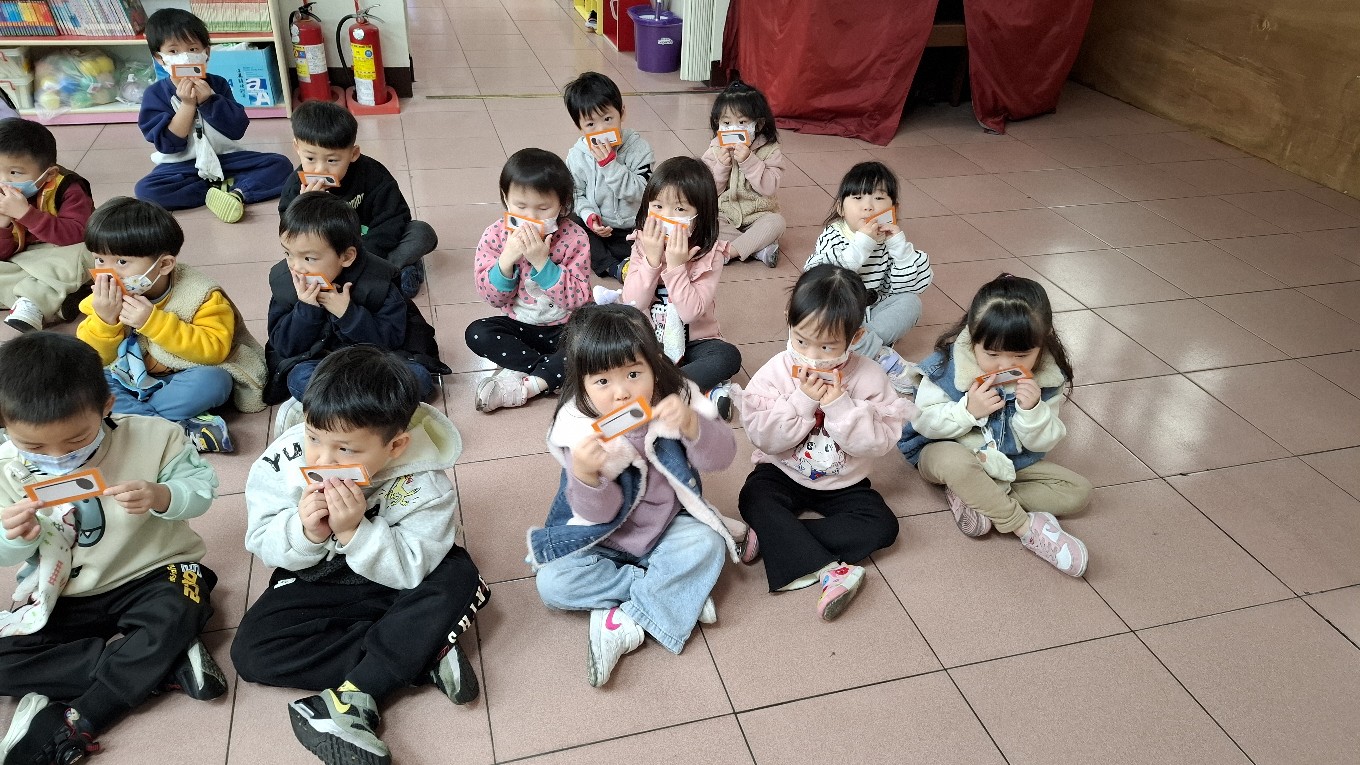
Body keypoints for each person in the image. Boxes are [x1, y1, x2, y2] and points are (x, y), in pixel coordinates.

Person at [232, 346, 488, 765]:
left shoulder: (425, 484)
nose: (322, 459)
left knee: (459, 574)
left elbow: (412, 566)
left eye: (346, 450)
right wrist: (304, 532)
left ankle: (356, 696)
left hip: (393, 577)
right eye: (314, 438)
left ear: (395, 446)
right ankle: (421, 648)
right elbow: (261, 541)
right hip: (317, 576)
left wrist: (356, 531)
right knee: (252, 654)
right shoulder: (282, 462)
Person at [0, 332, 224, 764]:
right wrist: (12, 537)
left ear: (106, 406)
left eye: (75, 440)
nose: (58, 457)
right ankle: (161, 661)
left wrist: (163, 495)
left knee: (182, 606)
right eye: (34, 446)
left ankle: (83, 715)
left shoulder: (156, 435)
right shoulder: (5, 468)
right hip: (65, 592)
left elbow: (202, 490)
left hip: (155, 572)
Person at [529, 304, 744, 687]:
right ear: (581, 384)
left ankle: (623, 622)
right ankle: (674, 594)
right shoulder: (578, 430)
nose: (621, 393)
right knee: (553, 584)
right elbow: (598, 514)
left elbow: (722, 457)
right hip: (603, 538)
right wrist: (585, 475)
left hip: (665, 528)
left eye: (633, 374)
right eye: (602, 382)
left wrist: (694, 425)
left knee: (708, 545)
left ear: (655, 365)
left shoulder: (674, 400)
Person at [738, 265, 913, 620]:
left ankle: (775, 536)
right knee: (753, 496)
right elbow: (763, 437)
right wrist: (802, 401)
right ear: (789, 320)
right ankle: (833, 571)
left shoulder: (870, 376)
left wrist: (840, 407)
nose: (813, 356)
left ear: (855, 336)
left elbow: (878, 444)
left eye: (827, 346)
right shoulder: (776, 370)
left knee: (883, 526)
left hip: (844, 481)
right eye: (802, 340)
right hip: (783, 470)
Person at [899, 273, 1092, 576]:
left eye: (1021, 355)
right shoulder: (947, 367)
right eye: (991, 354)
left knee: (1078, 492)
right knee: (955, 463)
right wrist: (967, 411)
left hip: (1007, 460)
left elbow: (1043, 443)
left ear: (1042, 342)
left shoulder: (1048, 378)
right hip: (944, 451)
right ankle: (1024, 527)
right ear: (972, 336)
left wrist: (1033, 411)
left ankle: (975, 496)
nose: (1005, 366)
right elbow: (923, 423)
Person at [76, 197, 266, 454]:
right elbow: (92, 358)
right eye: (100, 260)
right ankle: (177, 429)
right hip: (128, 378)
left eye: (121, 262)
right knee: (87, 382)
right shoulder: (104, 298)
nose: (108, 273)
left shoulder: (201, 295)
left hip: (183, 377)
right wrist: (105, 321)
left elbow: (214, 350)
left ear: (164, 264)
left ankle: (137, 428)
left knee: (214, 381)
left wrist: (153, 323)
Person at [263, 192, 449, 435]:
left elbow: (391, 340)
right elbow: (285, 347)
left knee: (419, 379)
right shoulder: (286, 283)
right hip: (323, 365)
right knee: (299, 378)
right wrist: (306, 310)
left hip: (375, 364)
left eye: (309, 258)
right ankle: (374, 416)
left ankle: (332, 412)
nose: (296, 266)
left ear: (346, 256)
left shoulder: (377, 281)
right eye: (288, 254)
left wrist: (348, 314)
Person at [134, 8, 293, 223]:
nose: (185, 57)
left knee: (280, 165)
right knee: (146, 190)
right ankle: (216, 191)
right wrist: (188, 105)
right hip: (182, 166)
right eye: (173, 51)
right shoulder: (155, 94)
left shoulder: (218, 84)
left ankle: (237, 193)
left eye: (193, 49)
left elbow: (236, 129)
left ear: (206, 53)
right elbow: (168, 145)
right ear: (159, 58)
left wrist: (210, 101)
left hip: (226, 159)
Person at [466, 148, 591, 413]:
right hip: (520, 327)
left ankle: (528, 382)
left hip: (566, 328)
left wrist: (543, 264)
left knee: (594, 337)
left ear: (562, 205)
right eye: (521, 207)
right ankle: (552, 373)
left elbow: (579, 299)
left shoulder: (574, 237)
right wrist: (506, 260)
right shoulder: (495, 236)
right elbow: (491, 298)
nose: (531, 218)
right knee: (477, 333)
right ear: (505, 198)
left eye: (543, 208)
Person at [619, 156, 741, 419]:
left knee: (727, 356)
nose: (666, 217)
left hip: (696, 341)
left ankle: (659, 391)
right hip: (648, 339)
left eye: (679, 209)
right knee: (613, 351)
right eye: (658, 206)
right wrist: (652, 261)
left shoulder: (710, 254)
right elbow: (633, 303)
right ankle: (698, 390)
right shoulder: (642, 243)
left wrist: (676, 267)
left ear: (700, 215)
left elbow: (690, 313)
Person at [278, 100, 436, 299]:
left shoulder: (373, 175)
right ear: (297, 148)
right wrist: (306, 205)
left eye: (332, 160)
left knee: (422, 233)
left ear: (353, 154)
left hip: (371, 250)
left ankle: (384, 273)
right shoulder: (296, 186)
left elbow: (394, 219)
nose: (320, 169)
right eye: (310, 158)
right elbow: (290, 233)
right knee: (287, 269)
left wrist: (362, 256)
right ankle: (390, 276)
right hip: (333, 257)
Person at [805, 161, 932, 393]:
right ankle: (878, 353)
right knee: (821, 316)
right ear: (841, 208)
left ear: (894, 208)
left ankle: (859, 345)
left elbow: (909, 286)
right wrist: (862, 244)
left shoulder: (891, 240)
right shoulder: (833, 236)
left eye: (879, 198)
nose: (868, 207)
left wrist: (899, 248)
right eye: (858, 198)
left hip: (871, 316)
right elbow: (820, 280)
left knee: (911, 303)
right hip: (837, 312)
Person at [0, 117, 94, 333]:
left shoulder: (68, 188)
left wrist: (26, 214)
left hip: (62, 254)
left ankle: (32, 302)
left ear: (49, 173)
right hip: (22, 260)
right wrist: (3, 225)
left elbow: (77, 234)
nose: (4, 181)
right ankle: (57, 302)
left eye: (14, 173)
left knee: (87, 252)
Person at [563, 71, 653, 282]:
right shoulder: (577, 156)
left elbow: (643, 193)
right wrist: (589, 216)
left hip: (633, 227)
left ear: (622, 113)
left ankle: (627, 260)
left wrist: (610, 165)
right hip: (599, 229)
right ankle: (615, 267)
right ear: (579, 127)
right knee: (569, 224)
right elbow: (575, 194)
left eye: (608, 119)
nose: (602, 130)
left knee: (659, 232)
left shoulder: (639, 149)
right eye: (591, 125)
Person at [700, 80, 785, 266]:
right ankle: (757, 249)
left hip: (759, 215)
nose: (733, 128)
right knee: (702, 222)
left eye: (742, 122)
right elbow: (706, 192)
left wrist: (749, 161)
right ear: (717, 124)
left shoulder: (770, 150)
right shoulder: (715, 149)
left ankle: (729, 252)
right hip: (725, 214)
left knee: (777, 222)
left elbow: (769, 188)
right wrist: (721, 167)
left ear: (758, 124)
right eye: (726, 122)